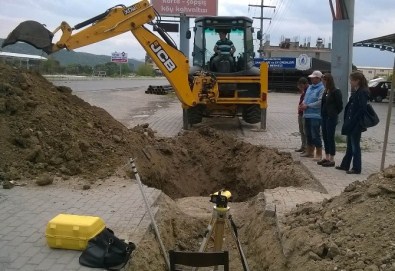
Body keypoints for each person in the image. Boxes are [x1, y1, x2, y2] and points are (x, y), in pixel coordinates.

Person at [336, 71, 369, 174]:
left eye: (351, 80)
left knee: (355, 146)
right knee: (350, 145)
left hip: (356, 124)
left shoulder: (362, 92)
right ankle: (345, 165)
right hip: (351, 123)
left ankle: (356, 168)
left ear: (357, 81)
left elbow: (362, 109)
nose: (350, 82)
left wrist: (354, 120)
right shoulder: (357, 91)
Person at [317, 73, 343, 167]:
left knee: (330, 137)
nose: (323, 82)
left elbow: (340, 106)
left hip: (331, 117)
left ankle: (332, 158)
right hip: (324, 116)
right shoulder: (325, 91)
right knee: (325, 136)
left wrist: (333, 113)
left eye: (324, 81)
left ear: (329, 81)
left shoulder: (336, 91)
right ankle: (326, 157)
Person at [299, 70, 325, 159]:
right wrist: (302, 104)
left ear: (318, 78)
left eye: (313, 78)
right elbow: (305, 98)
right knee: (308, 134)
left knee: (315, 135)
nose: (311, 79)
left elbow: (320, 102)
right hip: (307, 114)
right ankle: (309, 151)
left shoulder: (322, 88)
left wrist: (308, 106)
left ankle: (319, 153)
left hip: (315, 115)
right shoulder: (310, 87)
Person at [295, 77, 309, 153]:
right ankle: (303, 146)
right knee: (301, 130)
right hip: (301, 113)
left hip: (305, 113)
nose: (300, 88)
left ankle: (306, 147)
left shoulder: (308, 91)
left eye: (301, 86)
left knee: (305, 130)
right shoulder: (304, 91)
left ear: (305, 84)